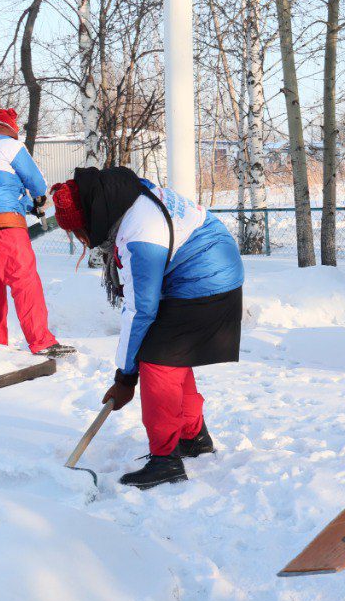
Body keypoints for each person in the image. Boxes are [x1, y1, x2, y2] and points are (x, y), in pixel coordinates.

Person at [50, 167, 243, 490]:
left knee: (158, 363)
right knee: (174, 355)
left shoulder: (139, 234)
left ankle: (165, 461)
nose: (80, 239)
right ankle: (193, 436)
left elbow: (140, 310)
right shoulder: (131, 195)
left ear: (89, 218)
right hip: (215, 272)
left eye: (77, 231)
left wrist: (125, 376)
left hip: (206, 281)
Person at [0, 107, 72, 357]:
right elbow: (36, 181)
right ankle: (41, 341)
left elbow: (1, 190)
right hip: (7, 226)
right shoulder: (10, 146)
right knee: (25, 280)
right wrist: (39, 198)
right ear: (10, 129)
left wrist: (28, 206)